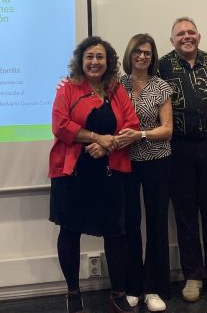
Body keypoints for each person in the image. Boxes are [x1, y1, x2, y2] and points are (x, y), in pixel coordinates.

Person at [49, 36, 140, 313]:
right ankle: (73, 293)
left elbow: (132, 124)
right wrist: (96, 137)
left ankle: (118, 293)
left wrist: (107, 144)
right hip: (73, 173)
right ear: (81, 61)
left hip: (110, 171)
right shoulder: (68, 88)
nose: (94, 62)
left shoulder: (116, 89)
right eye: (89, 56)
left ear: (108, 62)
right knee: (70, 231)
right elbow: (60, 125)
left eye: (100, 56)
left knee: (116, 232)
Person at [157, 17, 207, 303]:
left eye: (191, 32)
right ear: (172, 40)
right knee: (185, 211)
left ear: (199, 36)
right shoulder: (162, 67)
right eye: (180, 34)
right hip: (179, 148)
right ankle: (193, 276)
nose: (186, 37)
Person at [115, 34, 173, 312]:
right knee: (129, 224)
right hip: (126, 162)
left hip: (156, 161)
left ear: (153, 57)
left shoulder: (161, 86)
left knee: (157, 223)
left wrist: (139, 134)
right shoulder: (117, 85)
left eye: (147, 53)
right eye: (137, 51)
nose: (142, 56)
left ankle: (153, 288)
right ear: (129, 54)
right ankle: (133, 287)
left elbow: (167, 130)